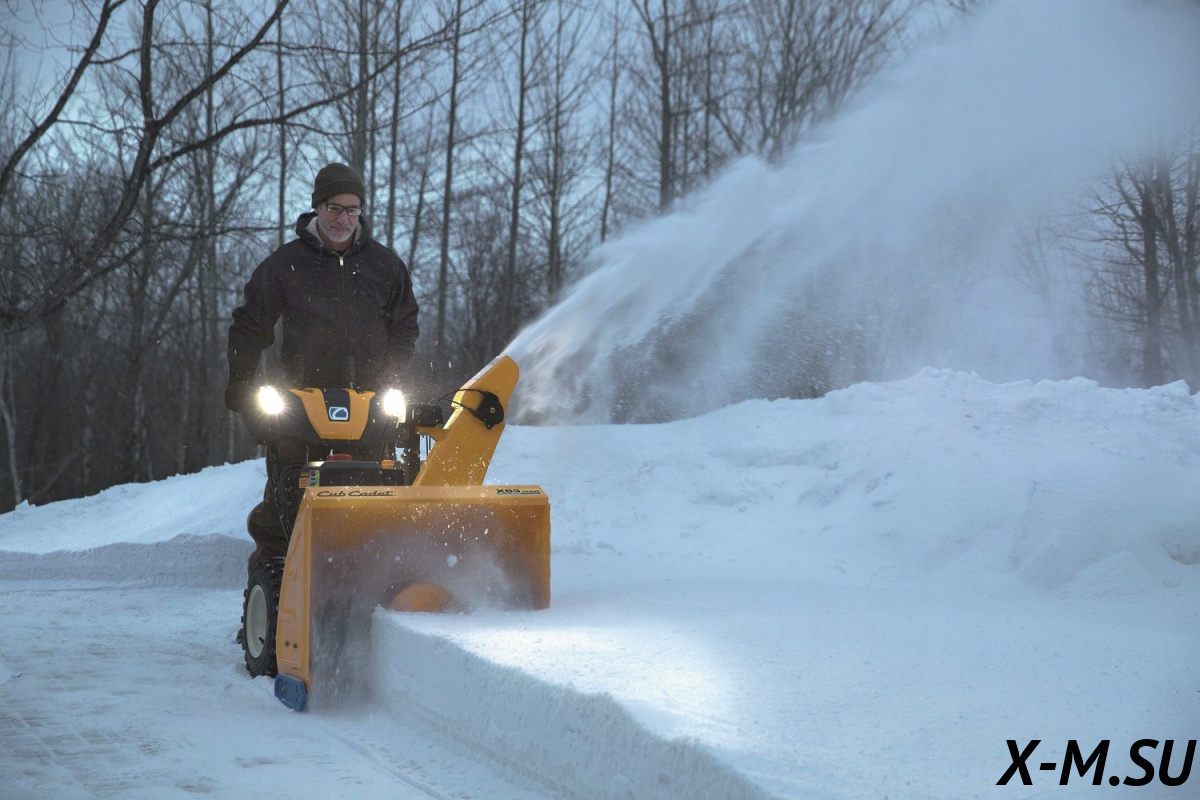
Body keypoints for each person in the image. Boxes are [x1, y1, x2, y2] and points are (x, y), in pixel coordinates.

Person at [225, 162, 419, 575]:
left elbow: (405, 328)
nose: (343, 219)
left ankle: (372, 574)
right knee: (287, 495)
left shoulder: (385, 266)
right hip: (301, 401)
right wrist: (241, 379)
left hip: (369, 401)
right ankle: (274, 581)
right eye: (334, 208)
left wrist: (388, 377)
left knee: (375, 489)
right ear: (317, 207)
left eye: (352, 210)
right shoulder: (286, 264)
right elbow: (250, 324)